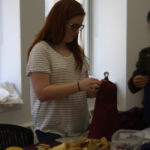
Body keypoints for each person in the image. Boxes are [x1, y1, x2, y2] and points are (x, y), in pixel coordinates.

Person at [26, 0, 102, 142]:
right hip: (52, 131)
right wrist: (80, 85)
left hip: (81, 128)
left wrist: (93, 89)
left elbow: (85, 93)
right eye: (74, 26)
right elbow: (42, 93)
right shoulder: (41, 50)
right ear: (58, 22)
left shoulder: (77, 51)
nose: (77, 31)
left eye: (80, 26)